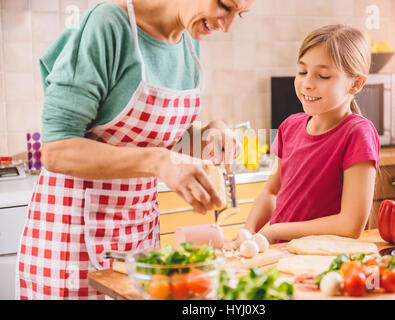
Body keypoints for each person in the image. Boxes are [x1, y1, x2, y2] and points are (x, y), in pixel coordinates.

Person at [16, 0, 255, 300]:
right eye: (224, 5)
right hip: (73, 244)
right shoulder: (108, 25)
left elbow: (152, 137)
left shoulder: (189, 38)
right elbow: (56, 149)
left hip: (139, 237)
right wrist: (158, 161)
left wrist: (209, 134)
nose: (227, 25)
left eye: (240, 15)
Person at [244, 24, 380, 244]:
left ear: (356, 83)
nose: (307, 84)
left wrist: (275, 231)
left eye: (323, 76)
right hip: (278, 253)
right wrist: (248, 230)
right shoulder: (289, 127)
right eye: (302, 72)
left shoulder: (357, 133)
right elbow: (270, 192)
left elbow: (350, 225)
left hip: (321, 258)